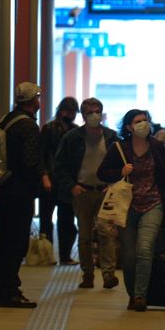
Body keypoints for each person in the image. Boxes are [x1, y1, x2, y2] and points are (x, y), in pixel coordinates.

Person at [98, 109, 165, 311]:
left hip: (153, 204)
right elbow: (102, 173)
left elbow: (164, 180)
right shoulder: (119, 148)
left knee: (145, 249)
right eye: (138, 121)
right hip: (127, 207)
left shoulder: (158, 147)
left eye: (146, 120)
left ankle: (141, 295)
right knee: (129, 255)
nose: (143, 124)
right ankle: (132, 293)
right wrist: (120, 172)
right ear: (129, 127)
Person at [0, 82, 52, 308]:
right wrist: (40, 183)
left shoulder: (5, 120)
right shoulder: (28, 127)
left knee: (2, 241)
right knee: (15, 244)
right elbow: (30, 162)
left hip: (2, 188)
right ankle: (9, 292)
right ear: (35, 101)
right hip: (19, 193)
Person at [52, 97, 120, 289]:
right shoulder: (72, 138)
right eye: (90, 112)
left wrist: (113, 183)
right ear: (83, 115)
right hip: (82, 192)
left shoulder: (111, 137)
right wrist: (71, 186)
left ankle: (108, 274)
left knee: (106, 232)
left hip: (105, 190)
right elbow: (59, 166)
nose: (94, 115)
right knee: (85, 235)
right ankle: (87, 273)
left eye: (97, 111)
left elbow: (119, 164)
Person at [38, 96, 79, 264]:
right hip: (52, 179)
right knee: (47, 220)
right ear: (61, 111)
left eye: (73, 112)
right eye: (68, 111)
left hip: (66, 182)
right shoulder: (49, 129)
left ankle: (65, 256)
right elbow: (42, 154)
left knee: (67, 221)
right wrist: (44, 175)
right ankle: (47, 256)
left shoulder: (75, 130)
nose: (70, 115)